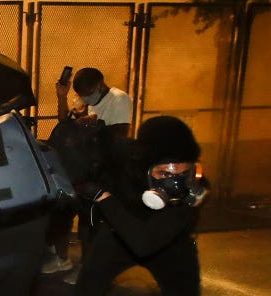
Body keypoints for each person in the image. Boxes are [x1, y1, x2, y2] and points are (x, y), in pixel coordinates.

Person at [75, 115, 208, 295]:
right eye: (164, 173)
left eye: (183, 174)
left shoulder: (191, 193)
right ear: (144, 165)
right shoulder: (128, 160)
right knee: (88, 286)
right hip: (119, 235)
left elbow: (144, 243)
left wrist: (104, 198)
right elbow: (108, 143)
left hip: (166, 242)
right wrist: (91, 133)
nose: (175, 184)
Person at [42, 67, 133, 283]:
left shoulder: (118, 99)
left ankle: (87, 268)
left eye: (88, 91)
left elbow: (120, 134)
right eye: (80, 92)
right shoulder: (84, 100)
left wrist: (92, 126)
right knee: (63, 212)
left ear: (100, 84)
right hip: (78, 166)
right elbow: (64, 123)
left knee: (89, 221)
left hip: (101, 170)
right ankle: (62, 258)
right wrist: (61, 97)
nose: (84, 96)